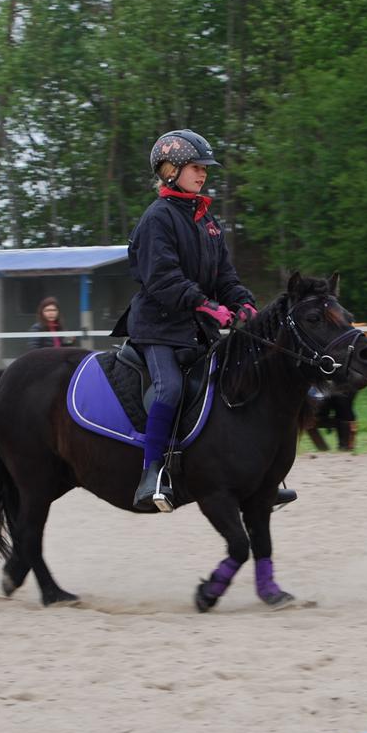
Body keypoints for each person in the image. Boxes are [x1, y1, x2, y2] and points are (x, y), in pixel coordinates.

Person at [114, 128, 258, 512]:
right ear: (168, 170)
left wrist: (243, 303)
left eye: (205, 168)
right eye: (195, 167)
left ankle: (256, 474)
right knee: (170, 390)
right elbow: (162, 279)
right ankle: (152, 473)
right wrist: (205, 305)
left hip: (196, 329)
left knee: (241, 380)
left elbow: (225, 276)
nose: (203, 173)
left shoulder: (207, 220)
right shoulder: (156, 219)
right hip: (158, 329)